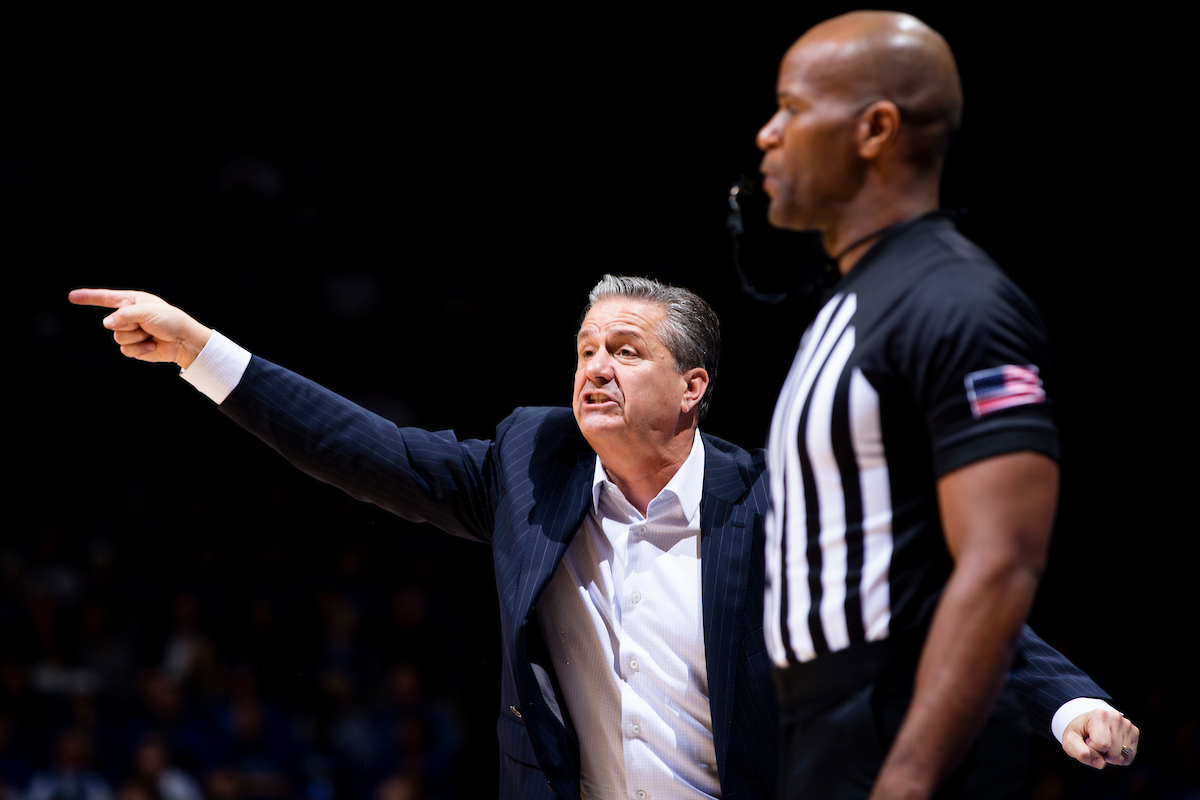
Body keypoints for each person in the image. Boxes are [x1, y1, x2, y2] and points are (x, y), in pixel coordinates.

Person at [71, 276, 1125, 800]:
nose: (595, 366)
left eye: (626, 348)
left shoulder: (779, 505)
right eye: (585, 347)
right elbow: (369, 451)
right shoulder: (531, 466)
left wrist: (1070, 698)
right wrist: (204, 351)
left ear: (694, 386)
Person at [754, 10, 1139, 800]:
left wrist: (908, 776)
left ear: (876, 128)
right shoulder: (854, 299)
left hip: (898, 730)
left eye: (792, 108)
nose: (768, 134)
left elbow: (1002, 562)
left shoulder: (957, 301)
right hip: (824, 724)